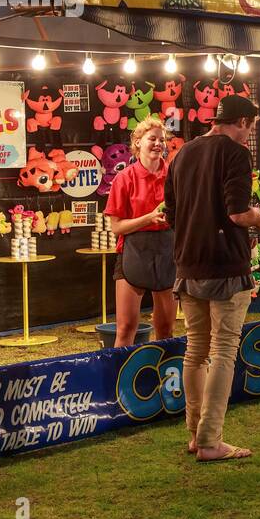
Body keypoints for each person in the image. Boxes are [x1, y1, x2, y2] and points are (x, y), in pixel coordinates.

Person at [165, 93, 260, 462]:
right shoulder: (235, 153)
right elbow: (238, 213)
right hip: (225, 265)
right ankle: (211, 440)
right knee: (222, 352)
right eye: (252, 127)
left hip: (187, 264)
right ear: (242, 122)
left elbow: (171, 214)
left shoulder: (183, 153)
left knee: (195, 351)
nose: (249, 135)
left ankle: (195, 434)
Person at [105, 115, 175, 346]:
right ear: (138, 142)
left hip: (167, 251)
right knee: (125, 328)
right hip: (132, 252)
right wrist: (148, 218)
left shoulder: (174, 176)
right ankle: (118, 379)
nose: (158, 144)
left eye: (162, 140)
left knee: (166, 328)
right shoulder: (124, 178)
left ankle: (165, 378)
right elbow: (116, 227)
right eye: (152, 138)